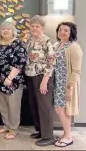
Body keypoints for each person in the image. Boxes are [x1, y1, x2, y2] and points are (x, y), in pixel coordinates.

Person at [0, 20, 26, 140]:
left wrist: (10, 78)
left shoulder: (18, 44)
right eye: (3, 29)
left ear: (13, 32)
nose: (5, 31)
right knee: (2, 105)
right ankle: (6, 125)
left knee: (13, 106)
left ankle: (14, 129)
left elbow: (20, 62)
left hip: (13, 82)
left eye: (8, 29)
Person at [25, 15, 56, 146]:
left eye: (37, 26)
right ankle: (41, 131)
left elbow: (51, 61)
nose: (34, 28)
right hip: (30, 75)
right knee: (34, 105)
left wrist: (45, 81)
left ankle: (49, 136)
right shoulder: (29, 39)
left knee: (44, 106)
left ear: (42, 28)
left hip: (42, 77)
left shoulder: (46, 40)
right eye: (32, 26)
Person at [53, 22, 83, 148]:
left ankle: (68, 137)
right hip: (57, 81)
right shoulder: (57, 45)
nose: (62, 32)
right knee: (59, 108)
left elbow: (76, 70)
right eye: (60, 30)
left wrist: (70, 88)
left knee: (62, 109)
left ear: (71, 33)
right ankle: (66, 133)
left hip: (66, 83)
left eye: (66, 30)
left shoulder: (74, 47)